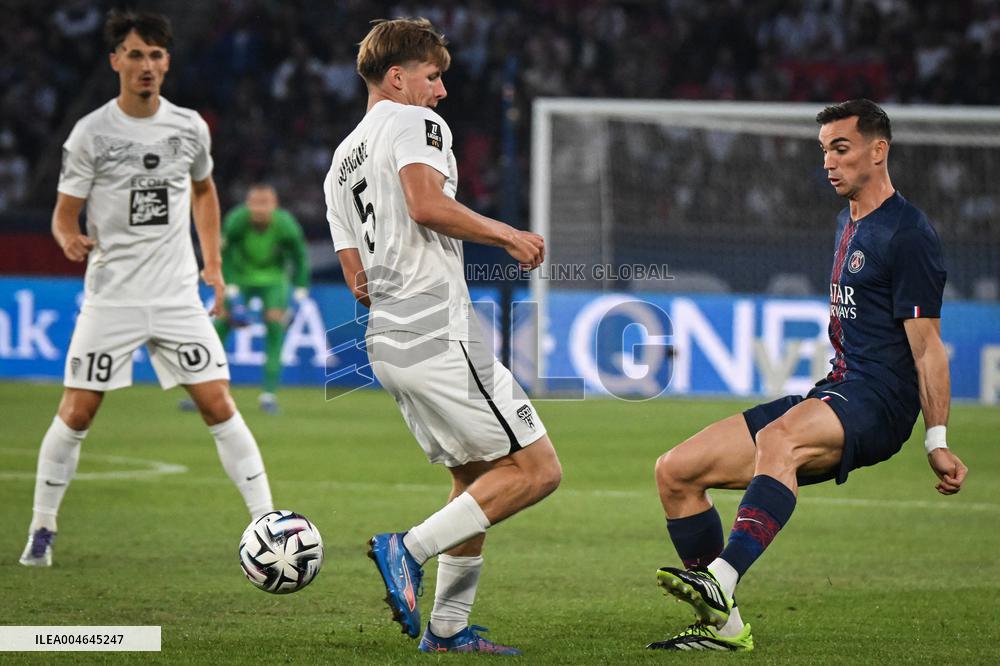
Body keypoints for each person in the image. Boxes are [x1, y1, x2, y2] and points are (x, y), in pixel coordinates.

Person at [647, 99, 969, 651]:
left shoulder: (908, 234)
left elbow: (929, 348)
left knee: (779, 438)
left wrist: (935, 440)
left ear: (878, 150)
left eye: (840, 148)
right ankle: (724, 630)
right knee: (676, 471)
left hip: (880, 403)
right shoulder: (847, 221)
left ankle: (720, 579)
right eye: (824, 151)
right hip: (838, 387)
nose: (828, 162)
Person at [323, 18, 562, 655]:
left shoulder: (340, 162)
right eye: (433, 77)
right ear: (396, 78)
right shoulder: (411, 122)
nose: (441, 92)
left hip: (388, 338)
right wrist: (509, 234)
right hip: (437, 328)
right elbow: (426, 203)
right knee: (538, 471)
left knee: (476, 478)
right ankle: (408, 548)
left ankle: (449, 629)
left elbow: (356, 278)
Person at [19, 10, 274, 567]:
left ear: (167, 63)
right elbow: (65, 214)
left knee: (218, 403)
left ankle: (267, 524)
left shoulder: (188, 127)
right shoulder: (92, 133)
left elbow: (205, 192)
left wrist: (213, 265)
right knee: (78, 412)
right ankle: (42, 528)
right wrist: (67, 239)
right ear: (115, 61)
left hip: (178, 294)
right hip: (112, 295)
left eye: (156, 56)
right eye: (135, 54)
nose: (147, 66)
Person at [208, 183, 309, 414]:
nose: (260, 210)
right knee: (221, 323)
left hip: (274, 280)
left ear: (275, 206)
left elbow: (300, 257)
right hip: (240, 277)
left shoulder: (285, 225)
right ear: (247, 204)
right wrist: (232, 293)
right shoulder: (236, 221)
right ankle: (206, 392)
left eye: (265, 204)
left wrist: (299, 291)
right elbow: (224, 255)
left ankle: (268, 395)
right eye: (256, 204)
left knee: (275, 327)